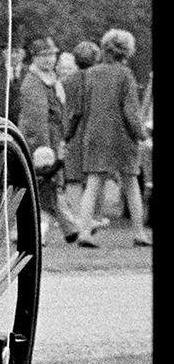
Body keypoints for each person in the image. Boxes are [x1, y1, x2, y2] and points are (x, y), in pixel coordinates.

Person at [74, 27, 151, 247]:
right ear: (127, 51)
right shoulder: (125, 75)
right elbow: (130, 111)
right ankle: (139, 233)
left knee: (93, 184)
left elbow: (81, 108)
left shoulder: (90, 73)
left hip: (95, 134)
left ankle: (84, 232)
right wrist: (142, 135)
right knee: (131, 183)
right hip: (122, 137)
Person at [15, 35, 84, 246]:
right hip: (41, 144)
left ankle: (67, 228)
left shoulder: (50, 79)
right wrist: (45, 150)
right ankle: (56, 230)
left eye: (51, 55)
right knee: (45, 188)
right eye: (43, 56)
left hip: (53, 140)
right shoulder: (34, 83)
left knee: (48, 189)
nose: (49, 59)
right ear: (34, 58)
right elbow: (36, 122)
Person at [62, 39, 101, 229]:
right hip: (93, 130)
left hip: (74, 132)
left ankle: (77, 217)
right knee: (93, 177)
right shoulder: (98, 78)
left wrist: (66, 134)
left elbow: (70, 109)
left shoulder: (68, 81)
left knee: (73, 178)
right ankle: (91, 217)